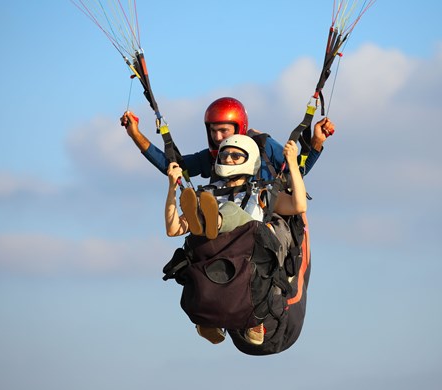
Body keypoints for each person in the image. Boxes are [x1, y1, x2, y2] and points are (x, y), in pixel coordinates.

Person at [164, 134, 307, 346]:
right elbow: (173, 228)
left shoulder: (262, 192)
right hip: (218, 257)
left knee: (226, 210)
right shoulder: (209, 194)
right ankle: (208, 224)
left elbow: (298, 206)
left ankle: (215, 222)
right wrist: (172, 188)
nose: (228, 159)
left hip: (250, 256)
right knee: (201, 217)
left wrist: (293, 165)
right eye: (225, 155)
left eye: (236, 156)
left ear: (250, 159)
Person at [120, 97, 335, 181]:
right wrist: (135, 134)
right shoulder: (210, 158)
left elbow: (298, 171)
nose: (217, 137)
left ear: (239, 127)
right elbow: (172, 166)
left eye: (223, 131)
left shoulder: (263, 146)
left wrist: (316, 142)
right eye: (213, 131)